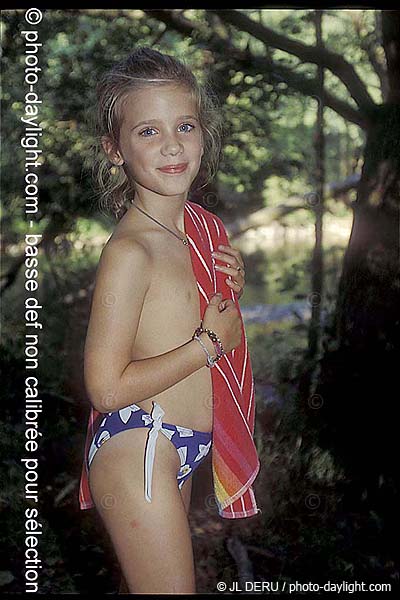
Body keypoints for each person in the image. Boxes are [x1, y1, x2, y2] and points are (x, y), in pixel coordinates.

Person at [78, 47, 260, 594]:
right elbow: (106, 388)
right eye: (148, 132)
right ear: (115, 150)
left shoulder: (200, 233)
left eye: (184, 125)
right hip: (141, 443)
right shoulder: (131, 251)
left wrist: (227, 289)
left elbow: (184, 314)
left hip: (181, 444)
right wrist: (208, 344)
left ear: (205, 132)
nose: (173, 145)